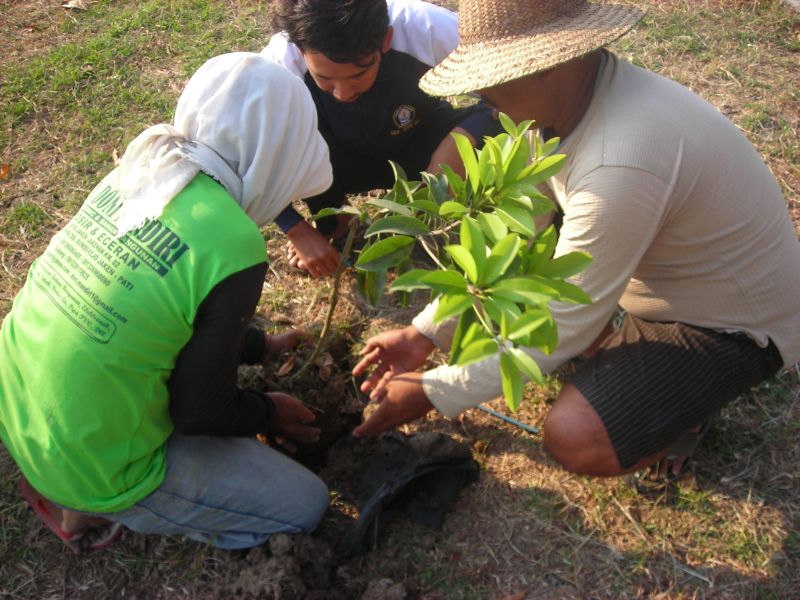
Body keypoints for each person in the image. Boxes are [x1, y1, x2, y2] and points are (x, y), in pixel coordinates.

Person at [351, 0, 800, 480]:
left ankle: (687, 412)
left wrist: (434, 390)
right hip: (667, 285)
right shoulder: (567, 107)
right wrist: (425, 333)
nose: (482, 92)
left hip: (733, 325)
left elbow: (568, 321)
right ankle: (641, 366)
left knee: (576, 434)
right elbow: (520, 236)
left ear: (550, 64)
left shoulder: (619, 161)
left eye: (495, 75)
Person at [0, 52, 334, 552]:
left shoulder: (136, 172)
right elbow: (200, 412)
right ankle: (93, 504)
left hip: (18, 406)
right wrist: (269, 412)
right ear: (279, 152)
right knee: (306, 505)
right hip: (95, 460)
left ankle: (59, 482)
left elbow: (166, 306)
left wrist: (259, 345)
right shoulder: (235, 243)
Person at [262, 0, 501, 278]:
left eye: (358, 75)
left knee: (503, 128)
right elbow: (245, 158)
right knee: (290, 147)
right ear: (300, 51)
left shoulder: (425, 27)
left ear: (386, 39)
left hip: (418, 141)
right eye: (324, 78)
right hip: (334, 163)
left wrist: (458, 145)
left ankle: (436, 195)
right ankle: (336, 221)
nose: (342, 93)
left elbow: (511, 90)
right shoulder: (277, 66)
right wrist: (295, 228)